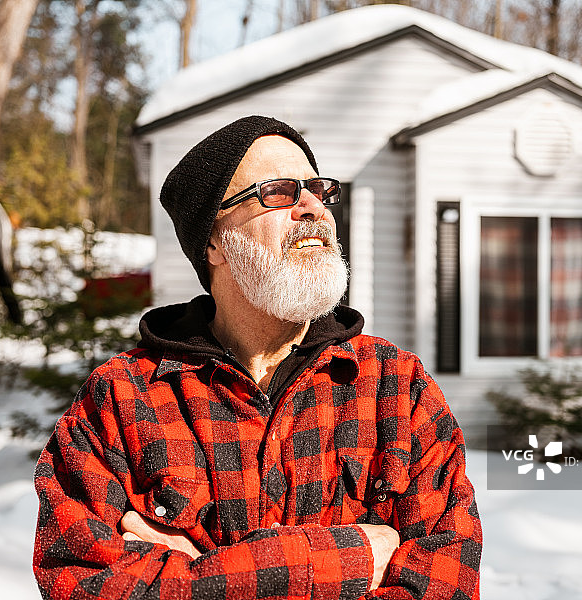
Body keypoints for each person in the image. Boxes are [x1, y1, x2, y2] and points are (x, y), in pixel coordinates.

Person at [33, 115, 481, 599]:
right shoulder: (122, 401)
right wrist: (344, 560)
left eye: (317, 190)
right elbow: (79, 584)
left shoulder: (395, 388)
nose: (314, 209)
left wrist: (198, 575)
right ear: (214, 243)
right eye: (280, 192)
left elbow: (444, 586)